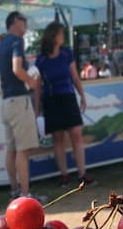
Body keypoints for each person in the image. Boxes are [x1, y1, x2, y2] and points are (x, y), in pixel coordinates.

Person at [34, 20, 93, 188]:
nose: (63, 37)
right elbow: (38, 86)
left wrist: (82, 95)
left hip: (68, 98)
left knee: (76, 134)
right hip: (51, 100)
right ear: (53, 36)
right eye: (61, 33)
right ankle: (65, 176)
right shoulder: (41, 60)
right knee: (58, 139)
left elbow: (75, 77)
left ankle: (82, 173)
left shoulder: (67, 54)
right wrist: (36, 106)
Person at [0, 11, 43, 202]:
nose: (25, 25)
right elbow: (17, 69)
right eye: (24, 20)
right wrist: (31, 82)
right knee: (23, 151)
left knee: (12, 149)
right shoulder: (16, 41)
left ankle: (15, 191)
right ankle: (26, 196)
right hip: (19, 101)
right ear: (15, 21)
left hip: (6, 102)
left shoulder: (2, 44)